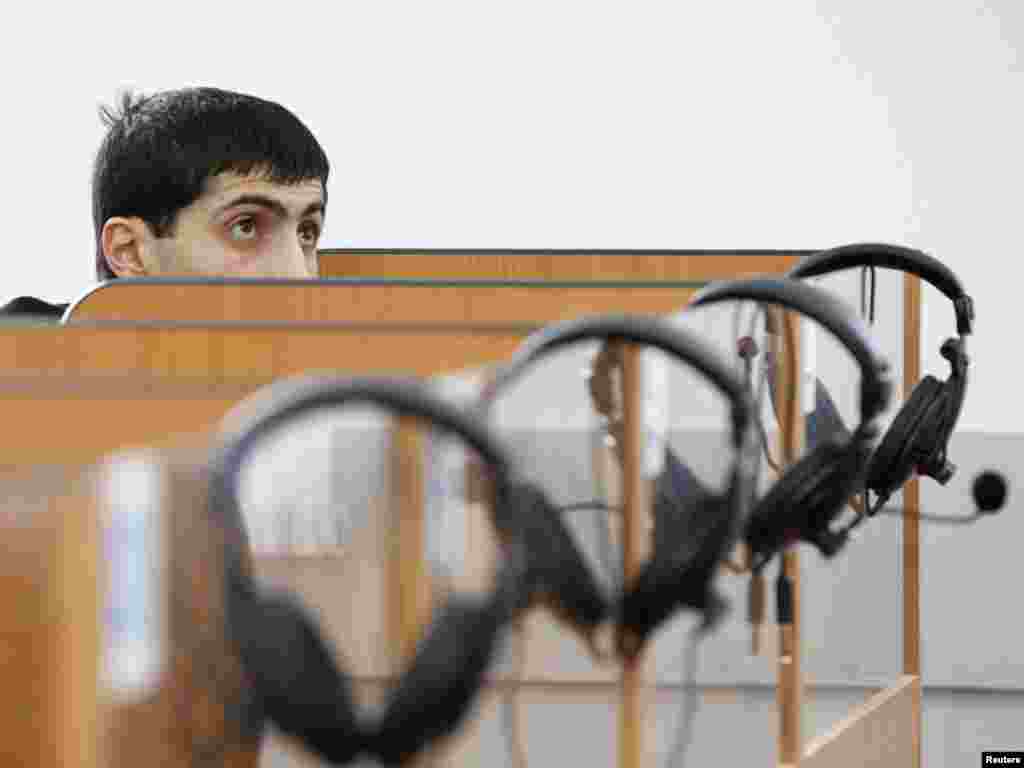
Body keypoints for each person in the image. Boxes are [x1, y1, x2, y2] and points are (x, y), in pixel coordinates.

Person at [0, 87, 330, 321]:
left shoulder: (343, 390)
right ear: (129, 250)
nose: (297, 274)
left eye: (306, 233)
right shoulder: (23, 366)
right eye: (245, 226)